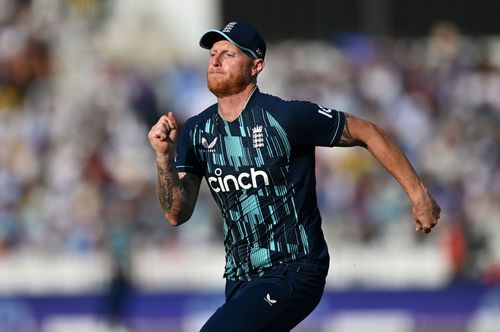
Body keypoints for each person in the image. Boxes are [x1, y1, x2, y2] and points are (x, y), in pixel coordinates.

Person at [148, 21, 441, 332]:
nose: (216, 61)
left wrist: (419, 194)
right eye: (213, 54)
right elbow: (176, 214)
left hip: (295, 267)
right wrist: (163, 157)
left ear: (256, 66)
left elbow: (368, 132)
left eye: (229, 54)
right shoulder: (197, 130)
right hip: (240, 278)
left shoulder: (285, 117)